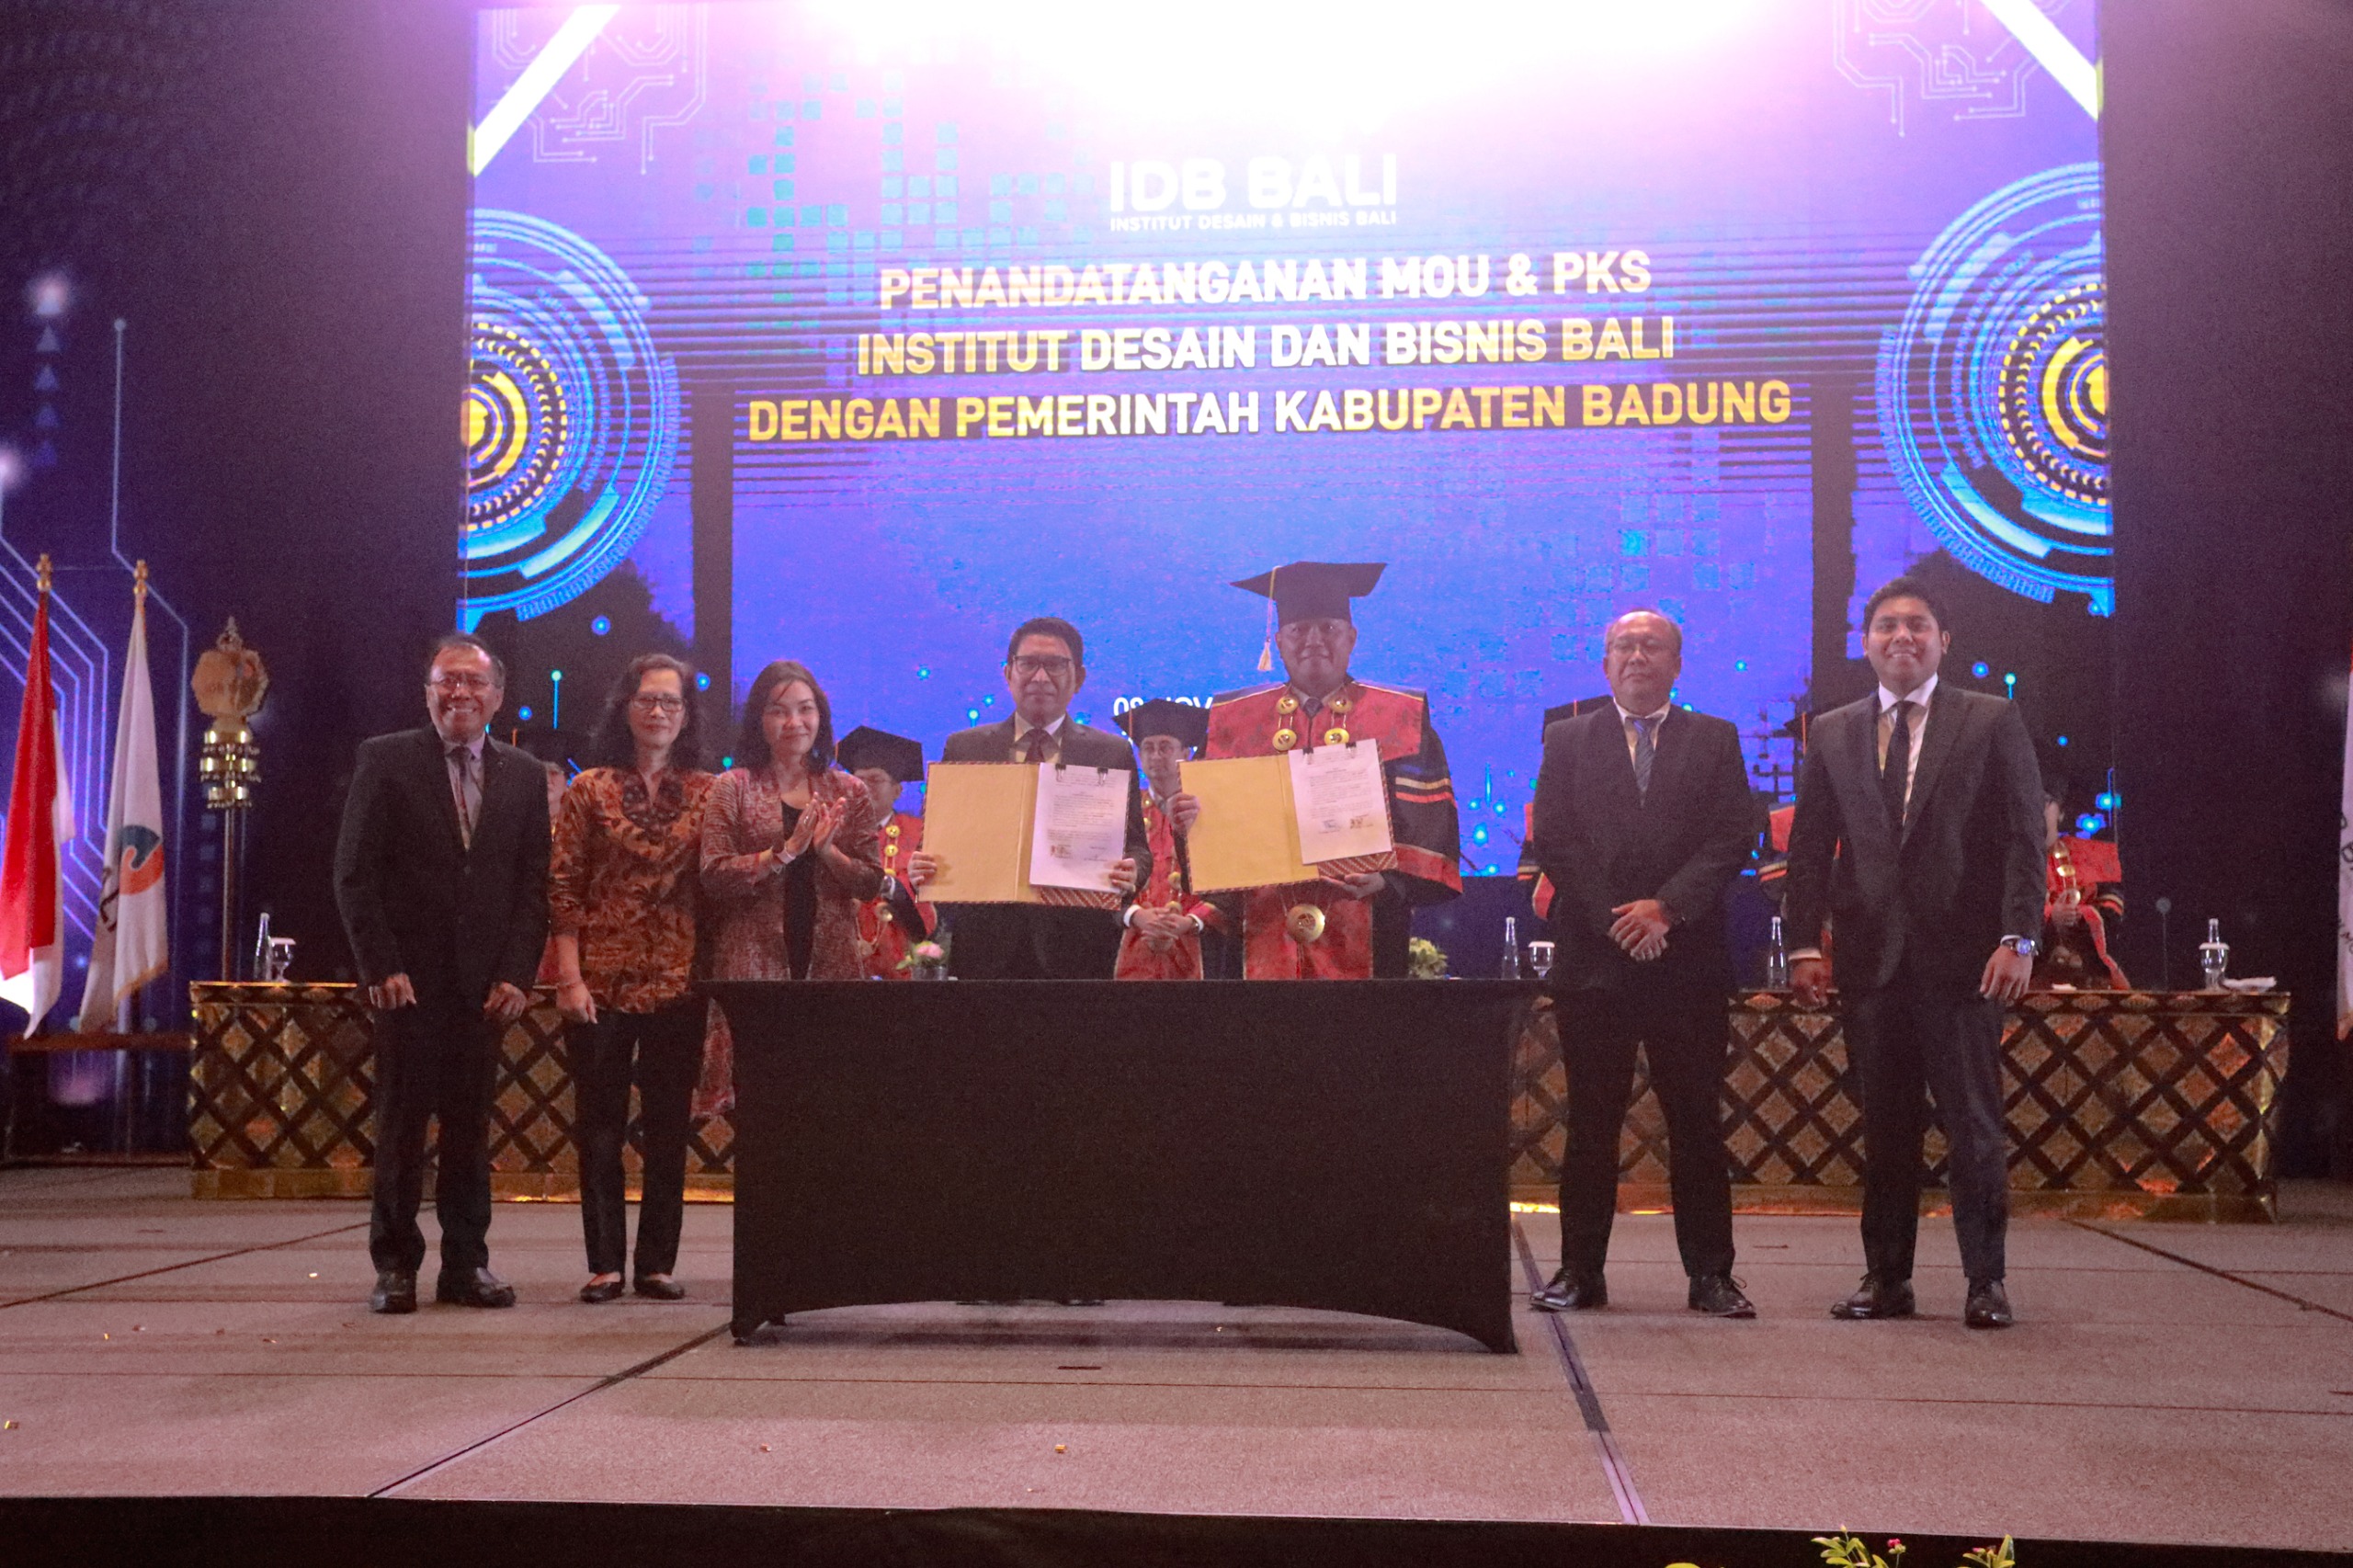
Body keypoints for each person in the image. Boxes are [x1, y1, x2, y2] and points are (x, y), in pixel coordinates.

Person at [1785, 576, 2044, 1331]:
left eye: (1918, 625)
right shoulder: (1833, 730)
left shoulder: (1990, 718)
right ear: (1866, 642)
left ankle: (1985, 1283)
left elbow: (2025, 839)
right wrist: (1802, 944)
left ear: (1943, 640)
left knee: (1974, 1128)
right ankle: (1886, 1279)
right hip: (1871, 963)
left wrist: (2019, 937)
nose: (1903, 637)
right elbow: (1809, 849)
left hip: (1965, 961)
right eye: (1888, 625)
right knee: (1886, 1131)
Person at [1524, 611, 1760, 1318]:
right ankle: (1579, 1272)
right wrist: (1617, 920)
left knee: (1696, 1123)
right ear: (1604, 664)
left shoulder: (1714, 738)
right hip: (1595, 964)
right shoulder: (1568, 739)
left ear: (1676, 664)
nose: (1636, 656)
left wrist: (1666, 909)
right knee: (1591, 1122)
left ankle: (1712, 1276)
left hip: (1687, 963)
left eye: (1651, 646)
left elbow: (1732, 838)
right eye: (1622, 646)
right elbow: (1555, 841)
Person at [333, 633, 550, 1314]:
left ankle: (466, 1264)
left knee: (469, 1132)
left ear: (498, 696)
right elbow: (355, 875)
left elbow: (533, 886)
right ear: (427, 692)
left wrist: (517, 973)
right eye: (446, 681)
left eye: (474, 682)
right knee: (401, 1129)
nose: (460, 693)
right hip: (408, 984)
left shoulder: (523, 774)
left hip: (485, 988)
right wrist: (382, 964)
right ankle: (395, 1266)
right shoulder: (386, 760)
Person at [1173, 562, 1461, 979]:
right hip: (1259, 925)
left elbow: (1430, 828)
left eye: (1327, 628)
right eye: (1298, 630)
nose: (1313, 641)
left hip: (1366, 924)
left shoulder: (1399, 716)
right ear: (1278, 642)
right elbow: (1213, 850)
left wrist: (1385, 880)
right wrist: (1191, 827)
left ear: (1351, 638)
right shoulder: (1233, 722)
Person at [548, 654, 715, 1304]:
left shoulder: (709, 791)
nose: (659, 712)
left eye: (671, 701)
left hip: (680, 979)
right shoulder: (588, 789)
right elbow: (563, 885)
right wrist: (568, 976)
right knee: (600, 1126)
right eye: (647, 699)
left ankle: (656, 1264)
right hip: (600, 979)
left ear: (687, 714)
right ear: (625, 707)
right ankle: (604, 1264)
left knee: (669, 1127)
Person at [904, 617, 1147, 978]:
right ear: (1008, 673)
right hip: (985, 948)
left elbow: (1138, 847)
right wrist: (920, 869)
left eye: (1055, 665)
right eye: (1028, 663)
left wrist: (1133, 871)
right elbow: (936, 844)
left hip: (1081, 949)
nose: (1040, 677)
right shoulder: (966, 747)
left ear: (1079, 678)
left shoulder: (1110, 753)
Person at [699, 660, 885, 1113]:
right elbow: (714, 874)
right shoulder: (733, 787)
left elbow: (869, 882)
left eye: (805, 709)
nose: (794, 722)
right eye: (779, 711)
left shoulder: (848, 790)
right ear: (759, 720)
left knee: (826, 1095)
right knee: (757, 1097)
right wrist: (783, 853)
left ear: (820, 717)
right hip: (752, 959)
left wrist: (827, 852)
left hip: (831, 959)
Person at [1113, 699, 1225, 981]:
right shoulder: (1121, 808)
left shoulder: (1211, 809)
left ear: (1186, 753)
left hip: (1198, 945)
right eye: (1148, 748)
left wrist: (1191, 920)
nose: (1155, 756)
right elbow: (1103, 877)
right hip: (1130, 941)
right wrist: (1136, 915)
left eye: (1165, 747)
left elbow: (1230, 884)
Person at [836, 725, 937, 979]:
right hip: (840, 958)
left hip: (899, 961)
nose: (864, 787)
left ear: (897, 791)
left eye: (875, 780)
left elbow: (928, 905)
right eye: (858, 780)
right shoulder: (831, 832)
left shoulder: (920, 833)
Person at [2037, 777, 2128, 989]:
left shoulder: (2090, 855)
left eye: (2045, 802)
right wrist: (2050, 918)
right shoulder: (2003, 863)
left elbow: (2113, 907)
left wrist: (2079, 916)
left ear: (2060, 812)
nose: (2036, 810)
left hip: (2089, 973)